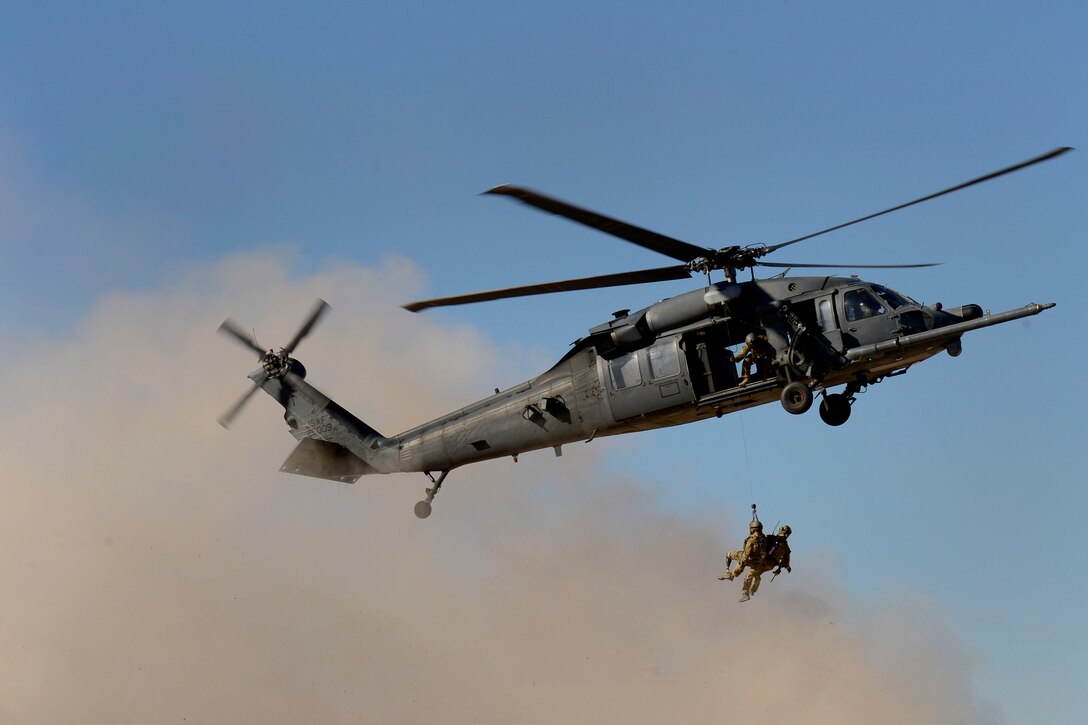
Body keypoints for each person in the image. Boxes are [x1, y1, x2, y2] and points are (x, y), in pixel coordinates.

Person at [718, 519, 767, 602]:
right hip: (758, 562)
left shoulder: (751, 541)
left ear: (752, 529)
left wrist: (740, 566)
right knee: (749, 577)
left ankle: (729, 573)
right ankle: (745, 593)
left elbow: (746, 555)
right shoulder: (765, 539)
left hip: (749, 559)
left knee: (729, 554)